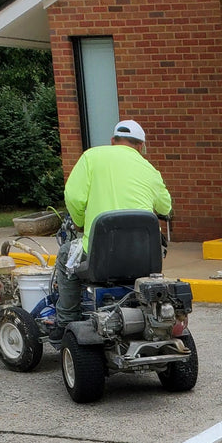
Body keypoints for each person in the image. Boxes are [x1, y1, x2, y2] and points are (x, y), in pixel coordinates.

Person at [55, 119, 173, 333]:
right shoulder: (149, 169)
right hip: (142, 259)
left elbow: (73, 196)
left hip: (100, 258)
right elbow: (165, 206)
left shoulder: (91, 157)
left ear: (113, 141)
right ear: (141, 146)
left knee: (65, 256)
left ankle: (65, 320)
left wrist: (80, 222)